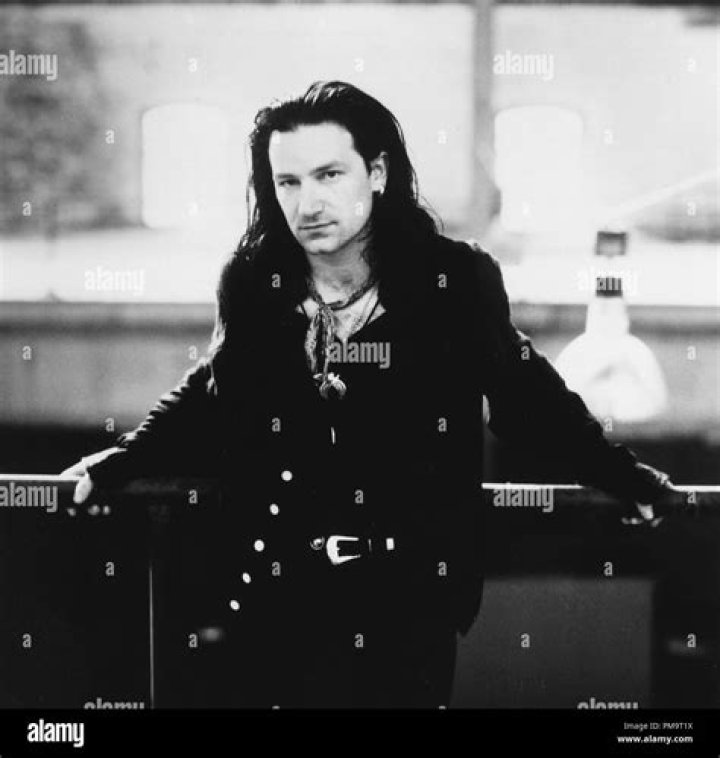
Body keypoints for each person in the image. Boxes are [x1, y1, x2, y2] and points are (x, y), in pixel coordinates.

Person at [61, 80, 674, 709]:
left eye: (329, 175)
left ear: (377, 173)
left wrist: (625, 477)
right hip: (277, 596)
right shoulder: (253, 281)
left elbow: (529, 398)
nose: (308, 203)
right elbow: (213, 391)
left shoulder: (452, 280)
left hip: (408, 605)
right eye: (288, 181)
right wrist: (123, 460)